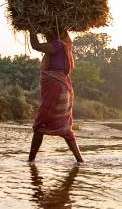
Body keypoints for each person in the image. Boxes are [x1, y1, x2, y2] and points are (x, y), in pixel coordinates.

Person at [28, 27, 84, 163]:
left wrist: (31, 29)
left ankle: (31, 160)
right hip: (63, 87)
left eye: (47, 33)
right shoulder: (67, 45)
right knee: (65, 127)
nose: (45, 35)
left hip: (56, 87)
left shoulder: (57, 45)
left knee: (40, 124)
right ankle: (79, 160)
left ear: (53, 34)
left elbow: (35, 45)